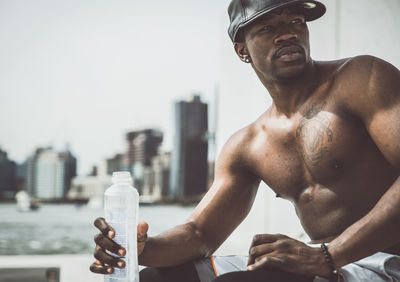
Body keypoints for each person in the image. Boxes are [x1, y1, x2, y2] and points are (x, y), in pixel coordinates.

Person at [90, 0, 400, 281]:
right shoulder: (249, 145)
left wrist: (329, 255)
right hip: (319, 260)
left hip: (383, 262)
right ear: (242, 50)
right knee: (158, 278)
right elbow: (200, 233)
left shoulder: (361, 78)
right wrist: (140, 248)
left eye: (296, 22)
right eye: (267, 27)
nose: (287, 34)